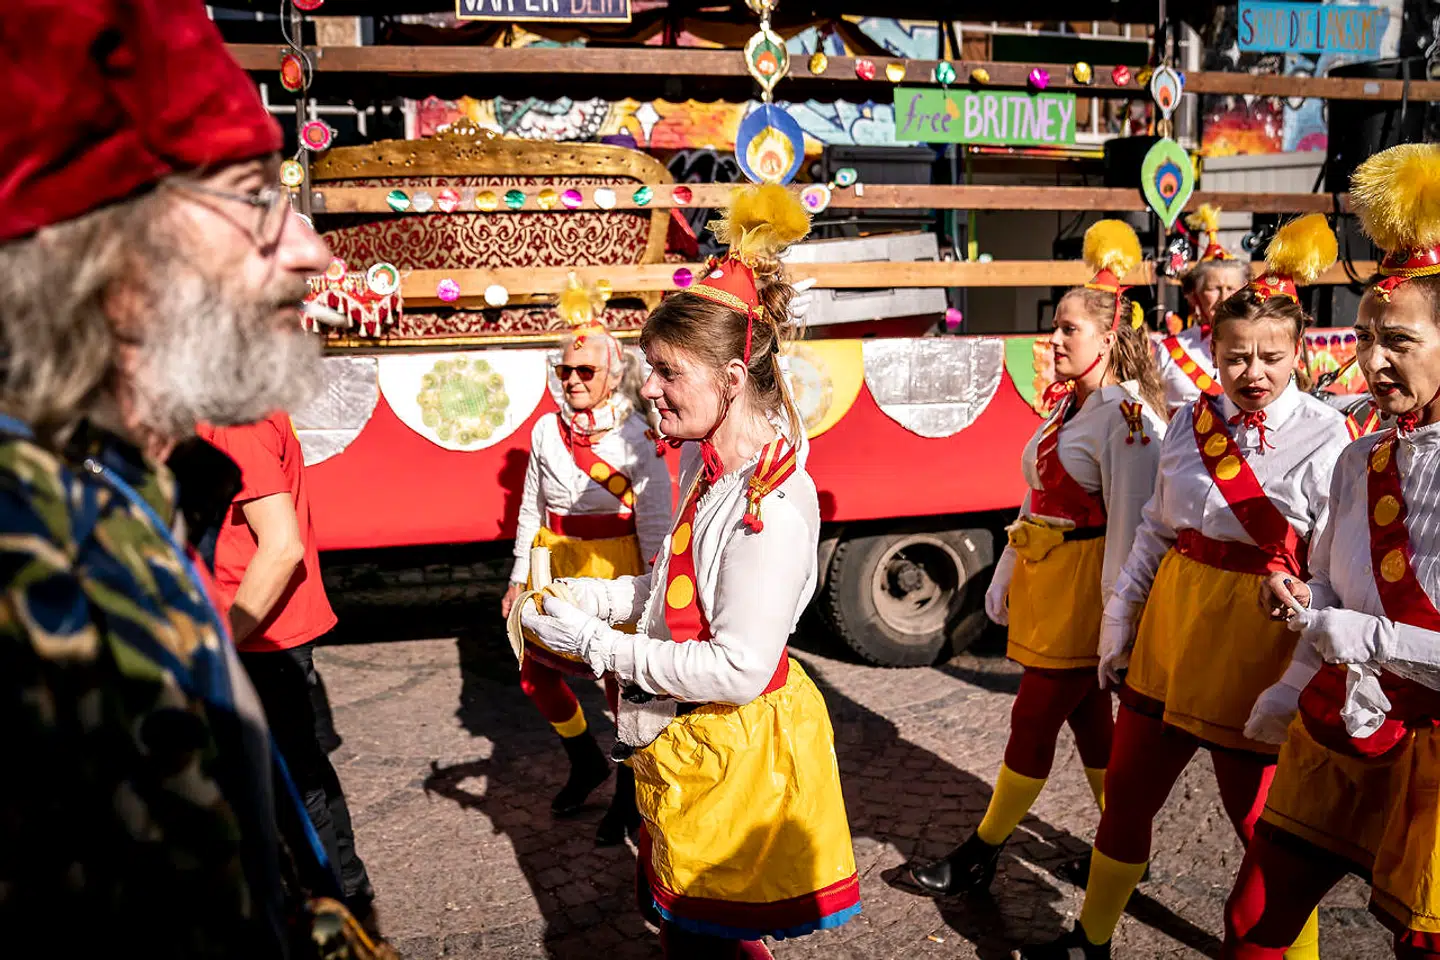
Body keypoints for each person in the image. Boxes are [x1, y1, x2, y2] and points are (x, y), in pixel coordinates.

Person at [0, 0, 342, 954]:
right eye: (251, 195)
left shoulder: (125, 496)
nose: (312, 249)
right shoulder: (26, 551)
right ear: (109, 256)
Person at [517, 184, 860, 958]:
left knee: (709, 942)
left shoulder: (766, 502)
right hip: (689, 742)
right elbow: (685, 592)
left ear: (731, 384)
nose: (648, 387)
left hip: (732, 755)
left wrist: (598, 646)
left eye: (668, 372)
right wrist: (598, 596)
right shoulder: (717, 466)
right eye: (649, 368)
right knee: (688, 931)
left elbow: (738, 667)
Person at [1015, 214, 1351, 959]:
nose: (1253, 374)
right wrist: (1117, 629)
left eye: (1270, 357)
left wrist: (1298, 679)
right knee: (1127, 799)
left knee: (1271, 831)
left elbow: (1332, 572)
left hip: (1257, 649)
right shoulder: (1189, 423)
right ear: (1215, 353)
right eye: (1236, 358)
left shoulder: (1329, 437)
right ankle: (1090, 939)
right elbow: (1153, 534)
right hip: (1171, 630)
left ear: (1299, 353)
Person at [907, 220, 1167, 897]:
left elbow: (1133, 531)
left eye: (1068, 330)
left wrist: (1119, 624)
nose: (1053, 339)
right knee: (1087, 726)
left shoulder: (1127, 420)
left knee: (1032, 719)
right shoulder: (1071, 407)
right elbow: (1036, 498)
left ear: (1108, 340)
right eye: (1054, 327)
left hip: (1086, 594)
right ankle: (1125, 847)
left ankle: (981, 851)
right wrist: (1004, 573)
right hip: (1049, 584)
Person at [1227, 143, 1440, 960]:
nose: (1372, 362)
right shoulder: (1358, 459)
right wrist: (1306, 612)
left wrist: (1360, 637)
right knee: (1251, 924)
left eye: (1398, 341)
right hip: (1339, 728)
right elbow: (1327, 586)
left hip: (1434, 756)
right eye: (1362, 338)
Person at [500, 277, 671, 842]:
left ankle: (627, 788)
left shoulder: (640, 438)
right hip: (556, 563)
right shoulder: (546, 431)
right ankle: (583, 760)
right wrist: (517, 577)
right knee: (534, 676)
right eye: (565, 372)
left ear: (613, 374)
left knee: (619, 682)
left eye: (586, 372)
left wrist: (654, 589)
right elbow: (530, 509)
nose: (573, 381)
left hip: (617, 566)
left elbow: (653, 522)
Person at [197, 412, 376, 922]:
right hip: (264, 630)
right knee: (306, 772)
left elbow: (281, 547)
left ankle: (332, 916)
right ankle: (350, 895)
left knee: (293, 792)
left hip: (260, 634)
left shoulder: (233, 418)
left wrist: (219, 641)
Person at [1156, 205, 1253, 416]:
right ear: (1195, 296)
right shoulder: (1169, 349)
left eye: (1231, 289)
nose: (1224, 297)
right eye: (1214, 289)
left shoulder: (1259, 345)